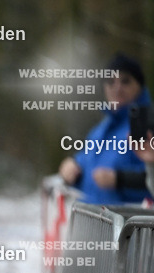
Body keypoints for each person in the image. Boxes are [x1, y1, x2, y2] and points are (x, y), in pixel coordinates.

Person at [58, 53, 153, 205]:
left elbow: (150, 177)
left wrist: (120, 179)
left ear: (140, 86)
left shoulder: (147, 125)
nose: (117, 88)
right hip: (92, 217)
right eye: (110, 81)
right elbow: (85, 161)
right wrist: (72, 165)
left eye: (125, 81)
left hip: (132, 219)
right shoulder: (101, 128)